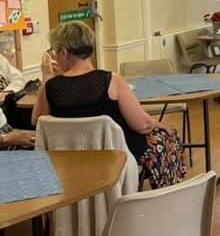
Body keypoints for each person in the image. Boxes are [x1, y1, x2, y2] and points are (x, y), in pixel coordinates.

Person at [31, 21, 186, 188]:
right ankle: (167, 194)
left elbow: (38, 121)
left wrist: (46, 76)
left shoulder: (52, 87)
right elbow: (142, 124)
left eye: (54, 52)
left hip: (67, 161)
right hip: (115, 157)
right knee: (168, 137)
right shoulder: (111, 80)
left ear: (64, 52)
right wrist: (158, 124)